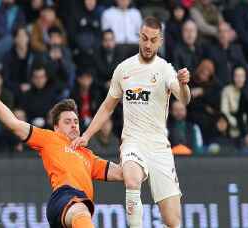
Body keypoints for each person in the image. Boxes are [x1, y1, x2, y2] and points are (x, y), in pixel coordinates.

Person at [71, 16, 191, 228]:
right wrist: (87, 135)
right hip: (132, 141)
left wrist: (183, 85)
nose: (147, 44)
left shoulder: (165, 69)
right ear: (139, 37)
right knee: (132, 178)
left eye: (153, 40)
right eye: (144, 38)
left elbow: (184, 99)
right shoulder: (124, 69)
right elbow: (108, 106)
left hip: (159, 147)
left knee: (173, 222)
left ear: (160, 41)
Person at [0, 77, 123, 228]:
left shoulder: (88, 156)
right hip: (65, 196)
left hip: (74, 207)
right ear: (56, 127)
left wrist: (131, 149)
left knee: (81, 212)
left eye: (76, 121)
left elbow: (121, 174)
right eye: (67, 121)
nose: (73, 125)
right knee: (81, 212)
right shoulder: (50, 138)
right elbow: (14, 124)